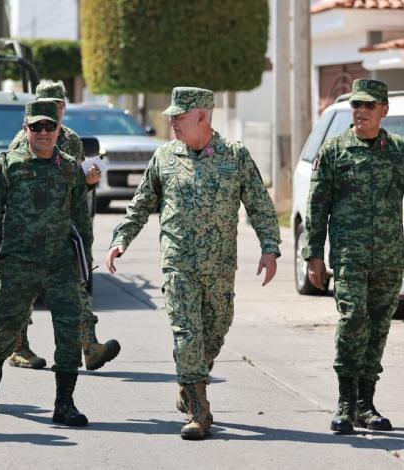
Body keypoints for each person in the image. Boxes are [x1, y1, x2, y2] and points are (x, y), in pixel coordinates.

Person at [106, 87, 280, 440]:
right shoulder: (165, 157)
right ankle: (200, 410)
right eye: (170, 116)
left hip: (219, 266)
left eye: (179, 117)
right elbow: (141, 204)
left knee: (215, 332)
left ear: (203, 116)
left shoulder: (235, 157)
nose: (172, 123)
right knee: (187, 336)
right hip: (178, 264)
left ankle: (189, 384)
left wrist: (270, 247)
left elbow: (259, 205)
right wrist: (120, 240)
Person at [302, 78, 404, 435]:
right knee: (353, 321)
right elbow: (317, 207)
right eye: (356, 105)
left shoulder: (399, 150)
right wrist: (314, 255)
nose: (361, 112)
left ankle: (366, 404)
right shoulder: (335, 151)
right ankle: (344, 403)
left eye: (369, 106)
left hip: (387, 257)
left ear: (384, 110)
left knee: (379, 328)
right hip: (350, 256)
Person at [0, 100, 93, 427]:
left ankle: (64, 403)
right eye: (35, 127)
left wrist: (86, 259)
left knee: (68, 332)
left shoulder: (69, 167)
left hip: (60, 265)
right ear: (25, 129)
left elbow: (80, 214)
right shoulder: (9, 165)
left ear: (58, 131)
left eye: (49, 127)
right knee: (6, 330)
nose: (42, 133)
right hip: (18, 265)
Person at [6, 80, 119, 371]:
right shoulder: (24, 141)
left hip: (71, 229)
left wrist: (90, 180)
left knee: (78, 286)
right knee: (24, 293)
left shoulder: (72, 138)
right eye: (48, 104)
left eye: (58, 105)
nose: (54, 111)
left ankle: (90, 347)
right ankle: (18, 347)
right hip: (33, 232)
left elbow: (75, 184)